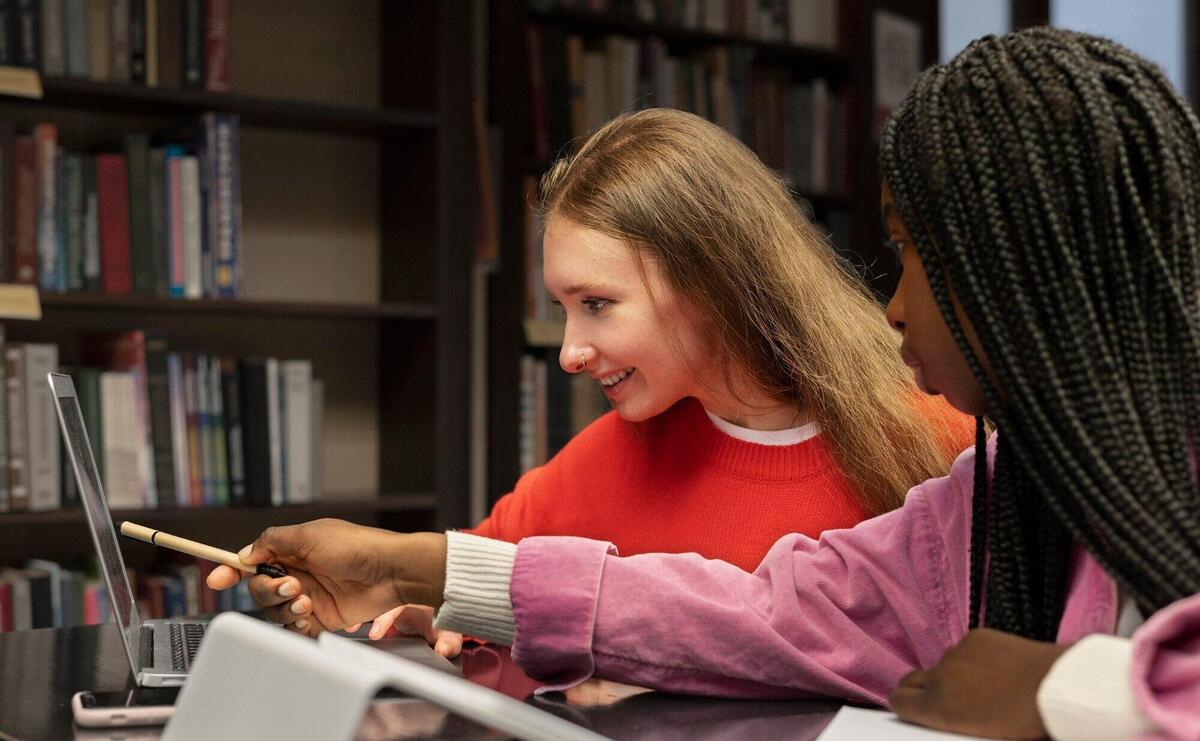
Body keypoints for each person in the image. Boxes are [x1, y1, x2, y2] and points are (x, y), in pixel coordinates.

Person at [211, 27, 1200, 740]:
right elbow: (763, 613)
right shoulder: (990, 505)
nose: (894, 307)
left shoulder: (957, 448)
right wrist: (423, 569)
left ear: (1030, 275)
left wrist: (1064, 691)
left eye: (913, 255)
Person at [361, 108, 971, 653]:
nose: (569, 354)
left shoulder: (945, 440)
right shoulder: (609, 456)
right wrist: (434, 603)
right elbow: (481, 562)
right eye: (562, 309)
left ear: (708, 283)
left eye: (596, 303)